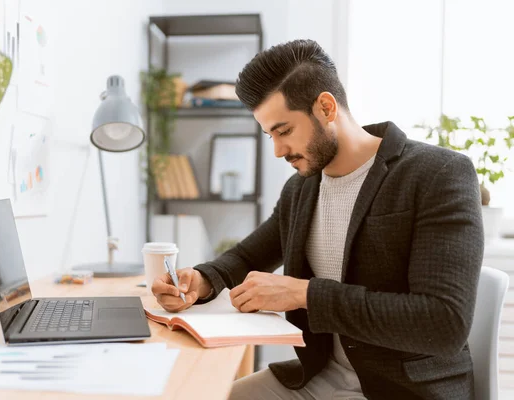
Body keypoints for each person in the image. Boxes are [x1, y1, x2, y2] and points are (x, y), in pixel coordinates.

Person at [151, 39, 484, 400]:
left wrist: (303, 294)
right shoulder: (302, 188)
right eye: (270, 135)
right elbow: (247, 256)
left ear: (325, 107)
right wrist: (200, 281)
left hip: (403, 389)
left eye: (284, 131)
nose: (277, 150)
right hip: (320, 377)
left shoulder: (439, 174)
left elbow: (444, 323)